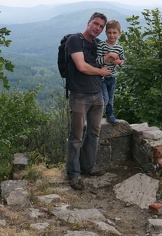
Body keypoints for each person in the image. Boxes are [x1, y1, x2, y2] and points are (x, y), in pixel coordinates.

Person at [65, 12, 115, 191]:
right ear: (88, 22)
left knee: (94, 133)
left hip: (97, 94)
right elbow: (81, 66)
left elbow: (107, 59)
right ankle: (73, 173)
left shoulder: (98, 44)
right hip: (79, 95)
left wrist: (115, 58)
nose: (98, 28)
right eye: (95, 24)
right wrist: (100, 71)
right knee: (77, 136)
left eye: (101, 27)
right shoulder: (74, 40)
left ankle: (88, 167)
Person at [96, 19, 125, 125]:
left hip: (112, 77)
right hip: (102, 77)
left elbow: (122, 61)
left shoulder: (119, 48)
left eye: (114, 33)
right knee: (105, 99)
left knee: (111, 99)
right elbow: (97, 61)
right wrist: (107, 56)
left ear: (119, 33)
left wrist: (119, 62)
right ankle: (96, 117)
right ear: (106, 33)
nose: (112, 35)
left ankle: (110, 116)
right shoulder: (102, 45)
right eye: (109, 32)